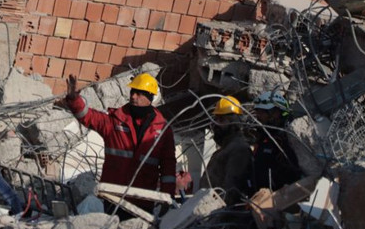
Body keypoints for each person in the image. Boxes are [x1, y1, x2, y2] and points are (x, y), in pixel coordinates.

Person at [66, 72, 176, 211]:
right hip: (112, 198)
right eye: (132, 91)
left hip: (142, 202)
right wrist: (74, 99)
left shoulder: (163, 129)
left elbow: (168, 168)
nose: (133, 96)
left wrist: (167, 199)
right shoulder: (115, 121)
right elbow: (88, 116)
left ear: (149, 97)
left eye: (139, 93)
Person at [245, 90, 301, 195]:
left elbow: (291, 177)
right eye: (258, 112)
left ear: (276, 113)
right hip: (256, 199)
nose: (258, 116)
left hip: (273, 203)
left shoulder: (286, 140)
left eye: (262, 112)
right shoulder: (264, 139)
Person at [202, 96, 252, 203]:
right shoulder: (223, 150)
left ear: (234, 122)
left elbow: (231, 192)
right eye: (216, 119)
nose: (216, 124)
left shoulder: (239, 150)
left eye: (221, 119)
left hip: (220, 214)